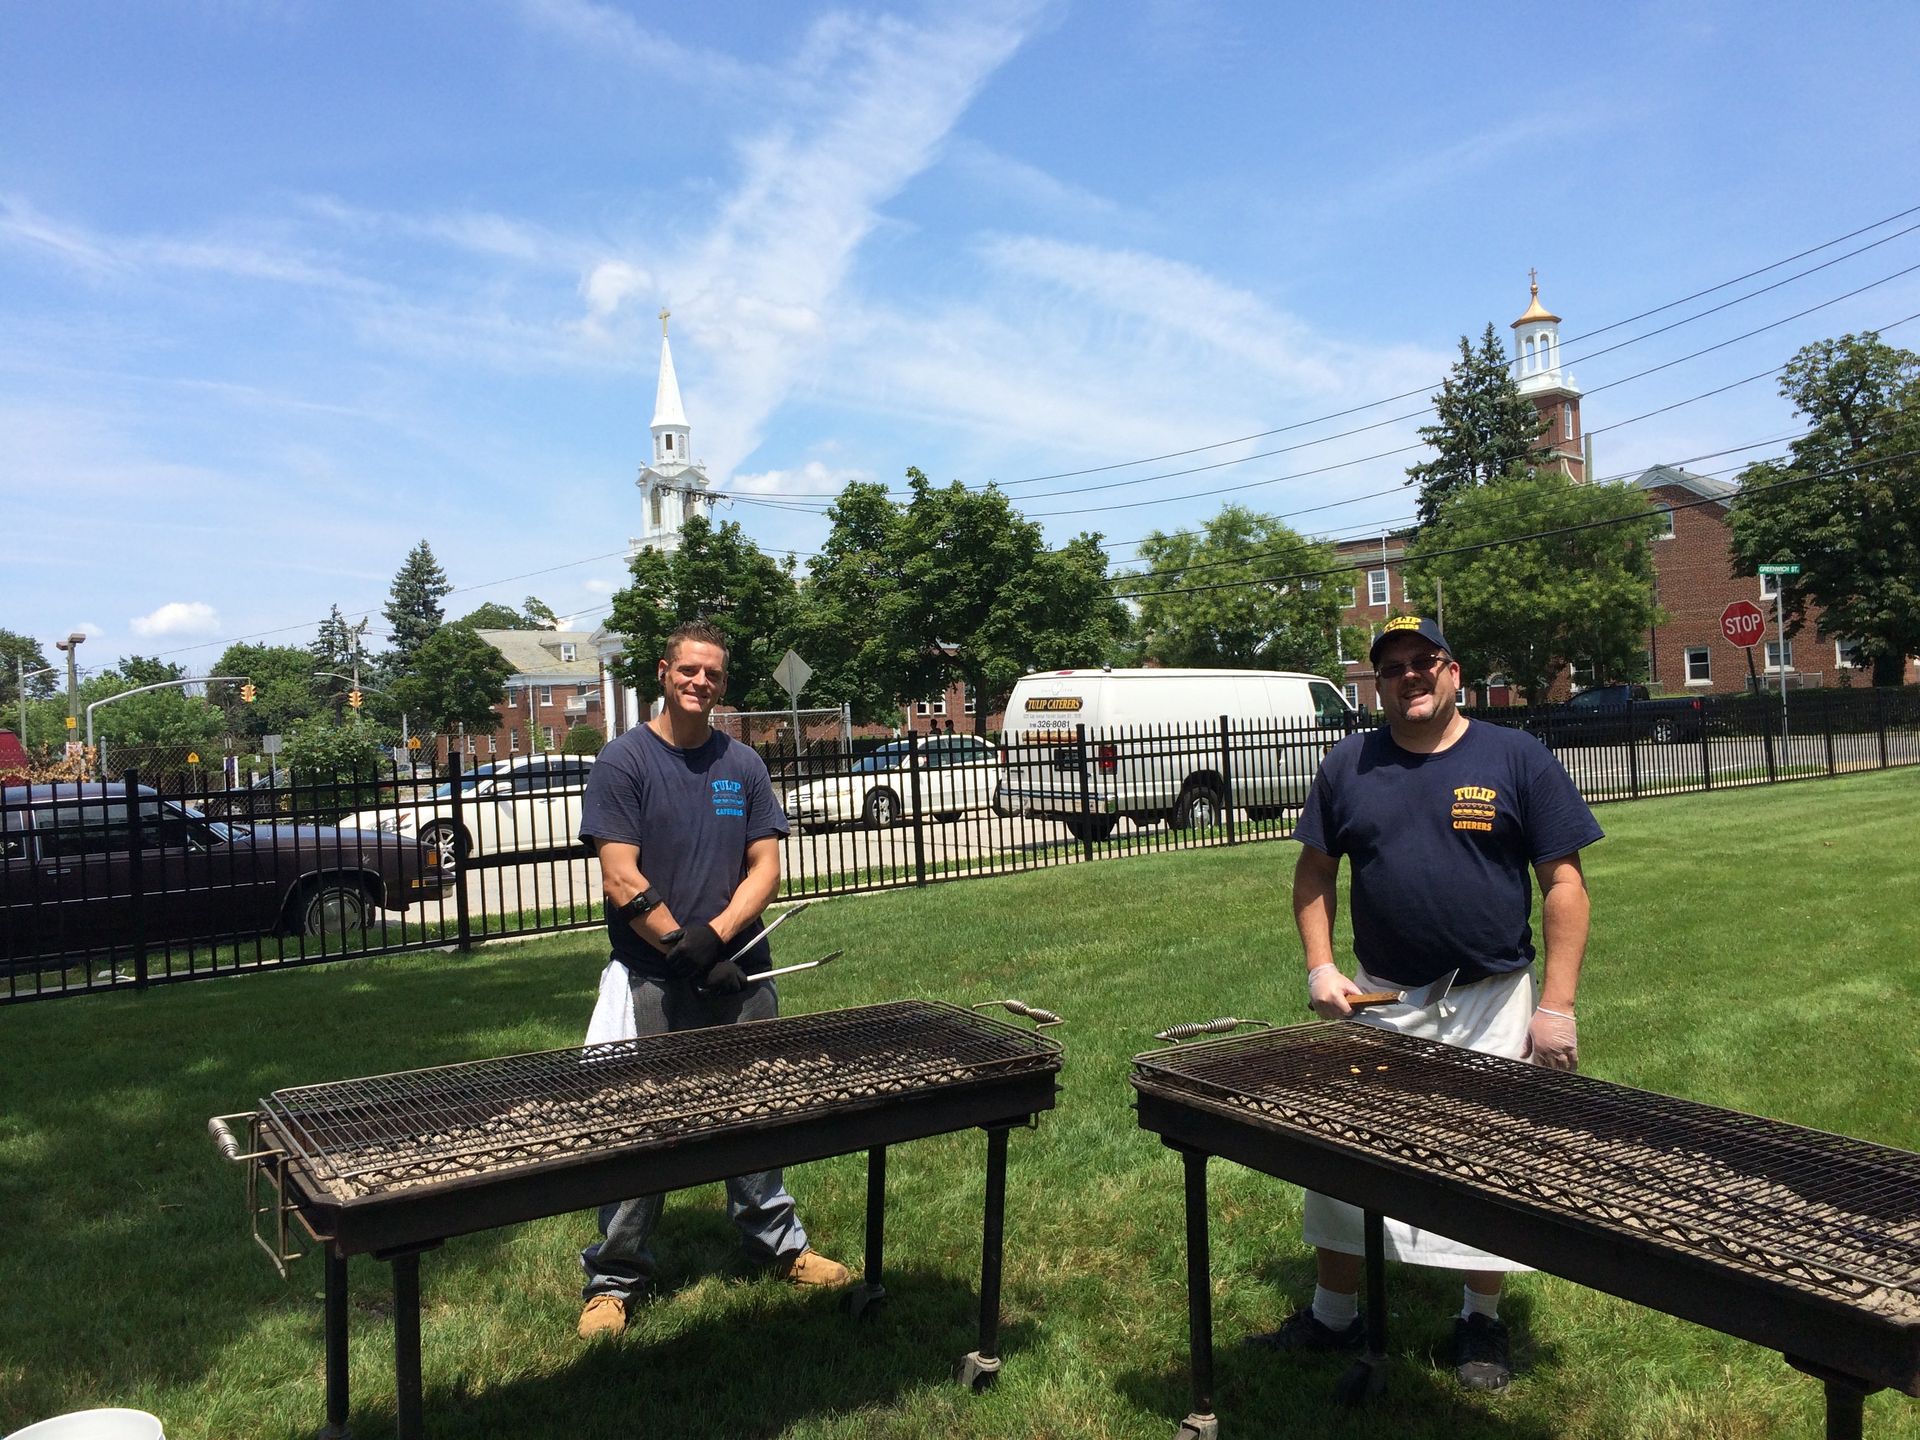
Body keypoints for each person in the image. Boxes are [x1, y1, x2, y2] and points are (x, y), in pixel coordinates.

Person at [1250, 615, 1602, 1391]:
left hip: (1492, 1002)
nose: (1409, 676)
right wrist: (1320, 968)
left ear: (1454, 672)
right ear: (1379, 684)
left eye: (1423, 662)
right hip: (1380, 1002)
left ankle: (1479, 1322)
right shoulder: (1351, 764)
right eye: (1393, 668)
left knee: (1486, 1165)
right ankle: (1333, 1316)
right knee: (1344, 1156)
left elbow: (1565, 885)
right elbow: (1314, 875)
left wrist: (1559, 1008)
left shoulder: (1516, 757)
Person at [574, 619, 848, 1340]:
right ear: (664, 673)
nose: (700, 683)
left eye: (714, 675)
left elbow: (765, 867)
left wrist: (719, 939)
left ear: (724, 683)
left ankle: (778, 1245)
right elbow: (618, 873)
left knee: (755, 1112)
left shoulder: (743, 766)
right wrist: (677, 943)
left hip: (740, 975)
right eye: (689, 670)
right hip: (651, 982)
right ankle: (614, 1277)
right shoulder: (623, 762)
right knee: (645, 1126)